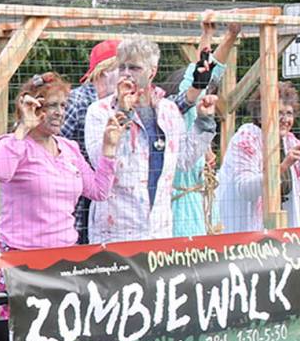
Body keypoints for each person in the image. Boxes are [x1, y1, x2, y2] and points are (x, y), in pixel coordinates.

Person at [84, 35, 218, 243]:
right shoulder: (99, 111)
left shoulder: (168, 110)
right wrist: (123, 112)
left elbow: (184, 159)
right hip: (115, 232)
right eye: (122, 67)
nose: (127, 74)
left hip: (158, 230)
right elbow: (101, 164)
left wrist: (204, 121)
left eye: (135, 68)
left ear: (152, 72)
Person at [0, 72, 122, 252]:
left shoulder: (69, 148)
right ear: (32, 107)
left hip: (64, 256)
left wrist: (109, 149)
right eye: (51, 106)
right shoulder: (14, 144)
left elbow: (100, 191)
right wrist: (24, 126)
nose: (60, 113)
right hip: (21, 256)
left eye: (63, 105)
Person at [218, 82, 300, 233]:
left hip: (281, 235)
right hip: (243, 233)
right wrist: (282, 168)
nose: (285, 119)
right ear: (261, 116)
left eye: (289, 113)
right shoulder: (245, 139)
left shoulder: (289, 141)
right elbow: (246, 190)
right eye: (279, 113)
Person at [170, 13, 241, 237]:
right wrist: (220, 36)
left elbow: (209, 67)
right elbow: (203, 70)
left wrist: (220, 35)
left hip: (198, 195)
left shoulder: (196, 108)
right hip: (180, 201)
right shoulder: (179, 106)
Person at [61, 40, 120, 245]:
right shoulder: (76, 102)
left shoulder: (122, 105)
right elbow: (52, 147)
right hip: (74, 199)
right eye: (123, 68)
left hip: (105, 196)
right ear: (105, 72)